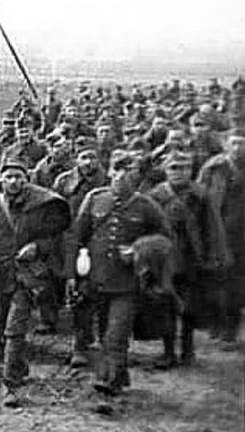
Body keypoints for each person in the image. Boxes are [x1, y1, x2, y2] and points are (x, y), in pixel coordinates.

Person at [0, 158, 70, 407]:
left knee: (15, 328)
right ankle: (18, 364)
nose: (13, 181)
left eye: (19, 177)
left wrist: (37, 246)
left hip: (27, 276)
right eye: (9, 177)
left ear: (26, 179)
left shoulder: (40, 205)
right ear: (0, 180)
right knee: (3, 325)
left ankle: (10, 385)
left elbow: (56, 237)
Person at [66, 150, 171, 397]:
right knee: (105, 333)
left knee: (117, 333)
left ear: (137, 175)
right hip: (96, 279)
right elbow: (76, 238)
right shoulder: (95, 198)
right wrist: (72, 275)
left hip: (128, 282)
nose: (121, 175)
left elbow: (165, 239)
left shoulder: (146, 205)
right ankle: (119, 374)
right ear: (110, 172)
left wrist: (138, 249)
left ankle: (108, 381)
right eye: (117, 169)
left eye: (129, 170)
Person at [145, 151, 229, 367]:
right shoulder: (155, 196)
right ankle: (168, 352)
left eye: (184, 168)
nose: (179, 172)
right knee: (165, 305)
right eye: (173, 167)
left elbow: (213, 228)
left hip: (192, 258)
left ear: (191, 170)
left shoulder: (201, 195)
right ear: (165, 171)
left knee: (190, 307)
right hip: (164, 259)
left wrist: (214, 256)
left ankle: (188, 350)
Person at [53, 139, 109, 368]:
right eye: (83, 157)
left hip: (102, 246)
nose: (88, 162)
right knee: (79, 295)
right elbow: (54, 211)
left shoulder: (109, 181)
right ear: (76, 159)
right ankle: (80, 344)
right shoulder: (64, 182)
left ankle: (106, 341)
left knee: (105, 295)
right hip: (73, 243)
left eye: (92, 157)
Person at [197, 134, 245, 345]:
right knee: (214, 280)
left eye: (242, 143)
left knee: (236, 283)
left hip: (240, 236)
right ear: (225, 144)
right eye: (234, 142)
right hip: (215, 231)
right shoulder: (213, 167)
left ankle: (230, 330)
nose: (238, 147)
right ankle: (214, 324)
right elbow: (199, 194)